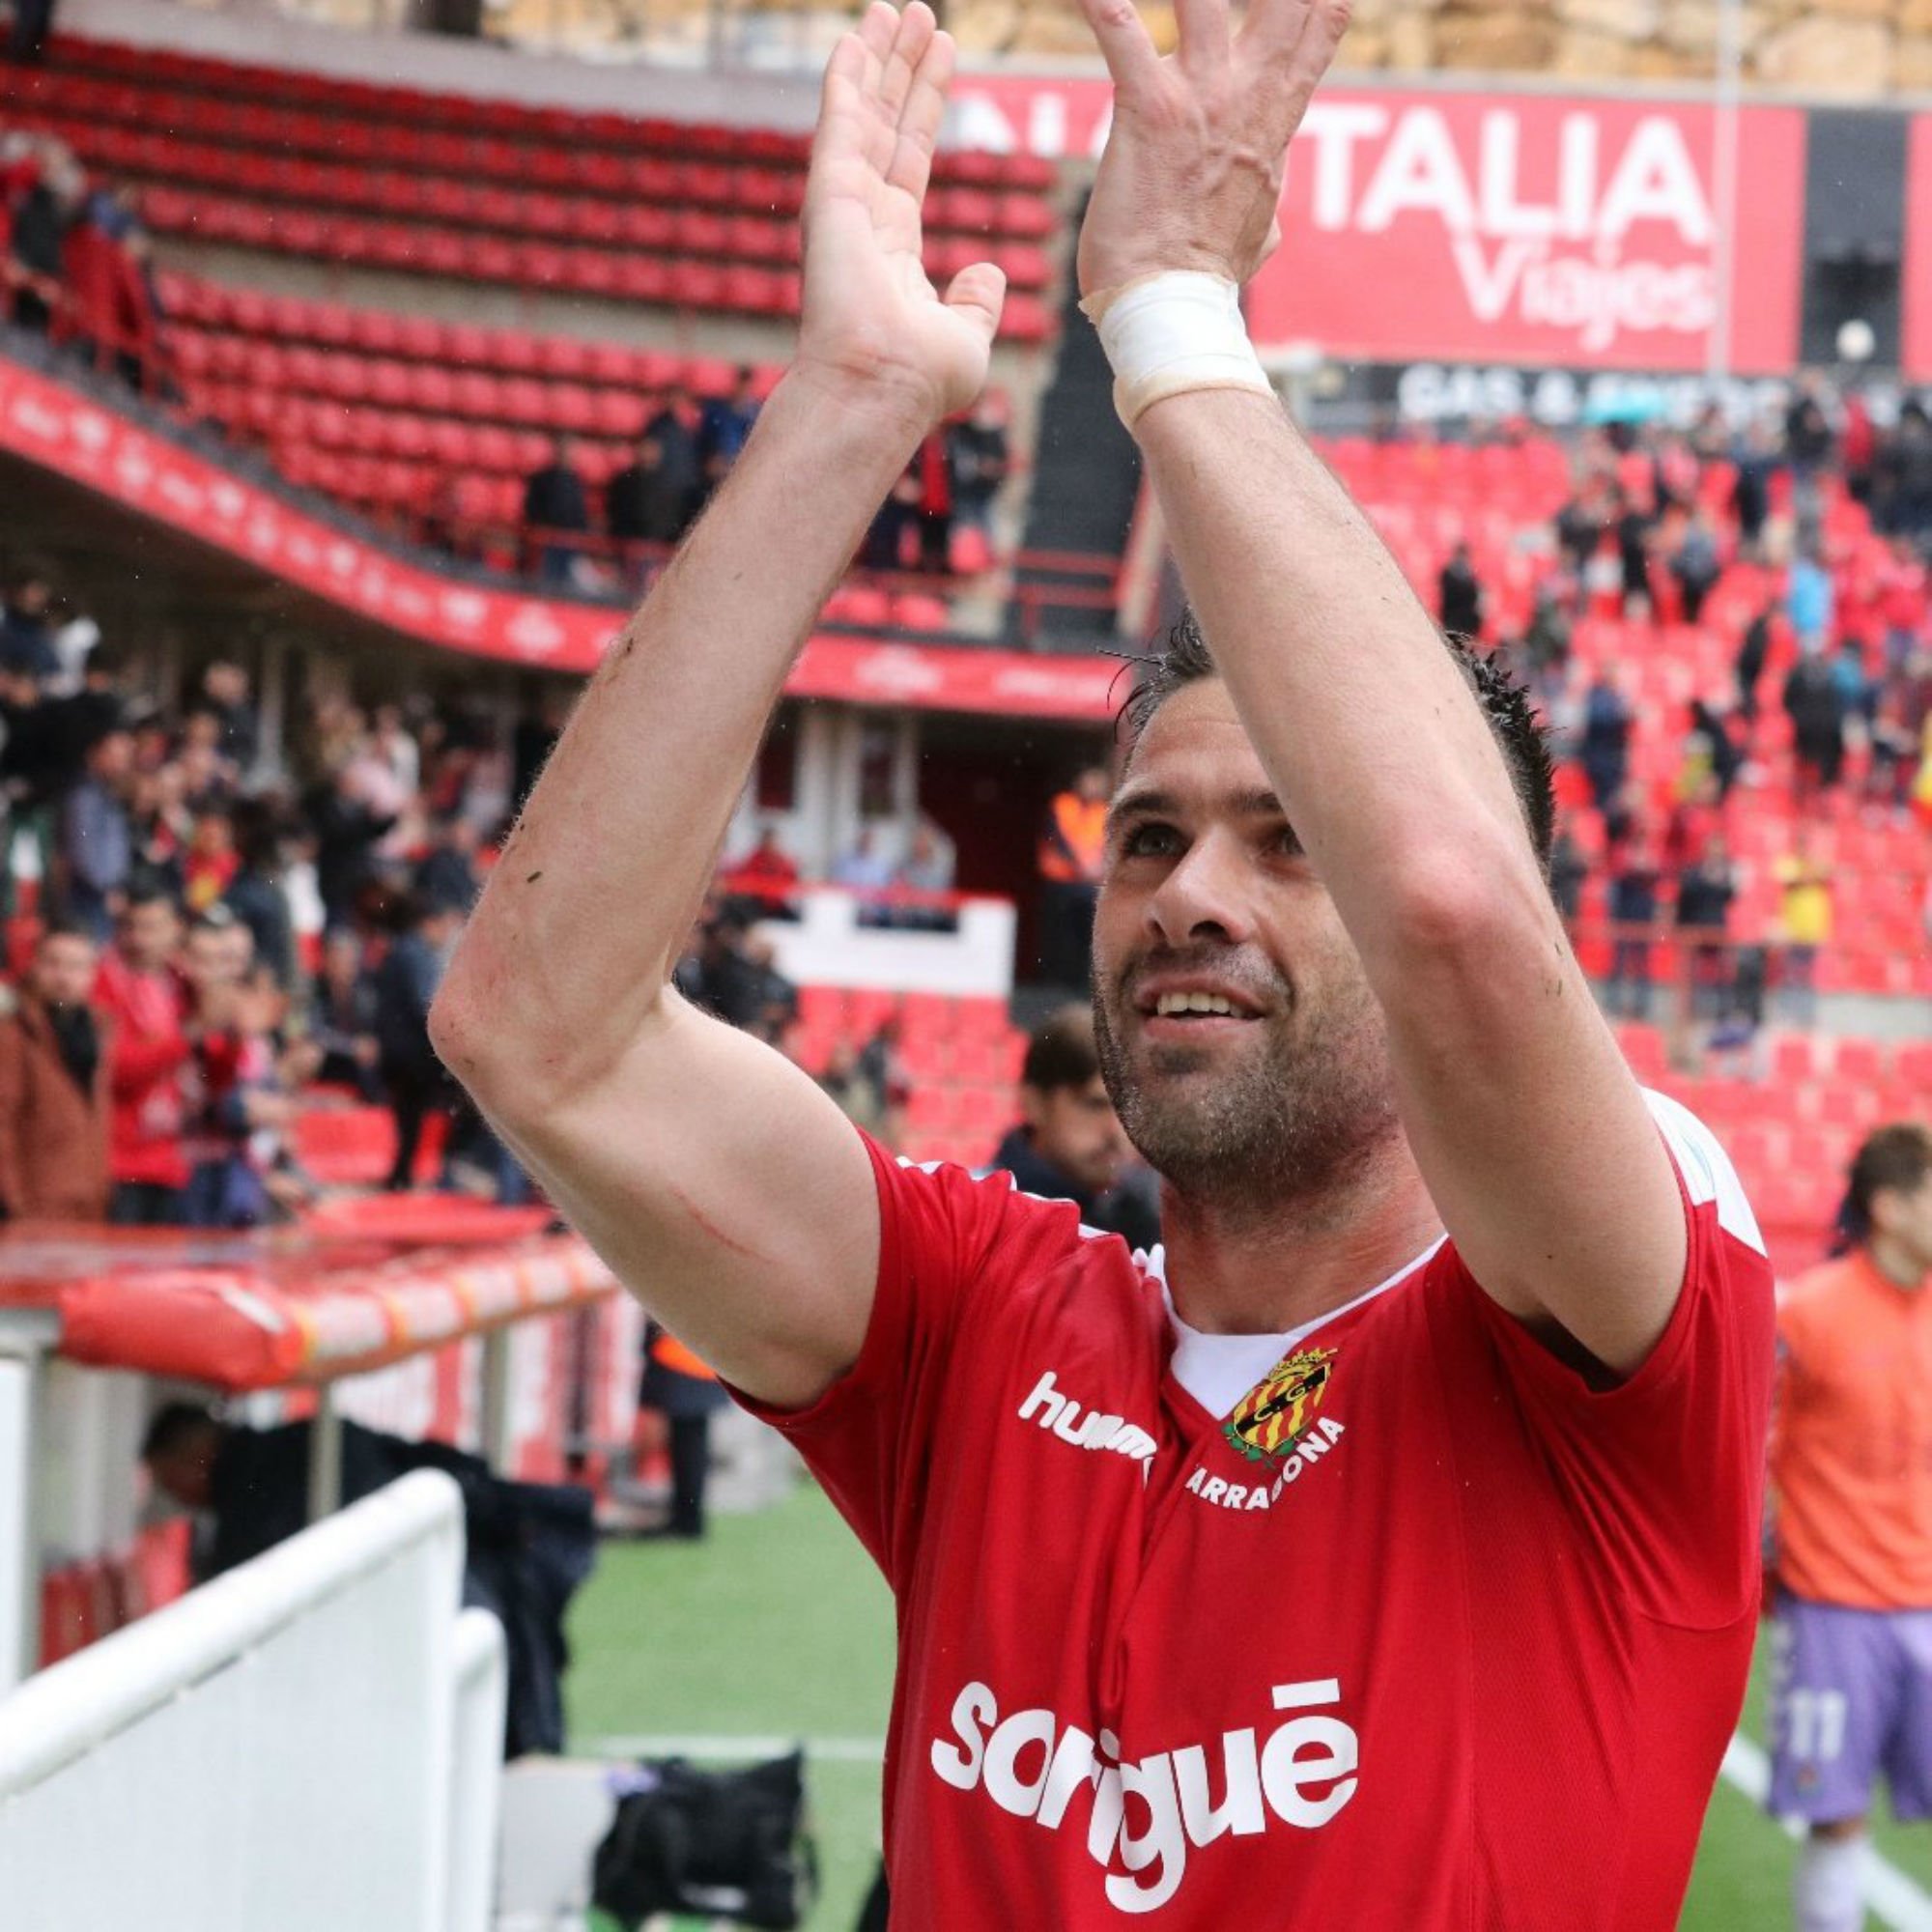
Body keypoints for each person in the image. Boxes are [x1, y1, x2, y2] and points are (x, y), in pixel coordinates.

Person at [429, 8, 1773, 1920]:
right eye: (1146, 835)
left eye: (1290, 834)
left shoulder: (1610, 1327)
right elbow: (535, 1032)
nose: (1187, 894)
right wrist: (850, 405)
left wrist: (1168, 320)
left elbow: (1464, 914)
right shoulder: (979, 1328)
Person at [140, 1403, 596, 1759]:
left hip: (422, 1633)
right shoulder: (316, 1436)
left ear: (193, 1457)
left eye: (169, 1481)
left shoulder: (253, 1500)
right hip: (478, 1599)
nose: (175, 1497)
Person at [1767, 1124, 1932, 1932]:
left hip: (1929, 1602)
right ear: (1893, 1206)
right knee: (1835, 1817)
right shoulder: (1810, 1315)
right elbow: (1755, 1448)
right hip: (1833, 1606)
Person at [986, 1007, 1159, 1252]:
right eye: (1095, 1105)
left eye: (1129, 1108)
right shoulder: (976, 1214)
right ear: (1033, 1103)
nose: (1117, 1131)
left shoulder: (1150, 1222)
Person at [94, 880, 191, 1225]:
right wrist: (187, 1038)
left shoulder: (185, 984)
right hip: (121, 1161)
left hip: (172, 1159)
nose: (139, 939)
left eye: (151, 927)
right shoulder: (103, 982)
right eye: (130, 926)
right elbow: (116, 1068)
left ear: (176, 929)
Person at [0, 922, 112, 1218]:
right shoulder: (14, 1033)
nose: (64, 977)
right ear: (35, 966)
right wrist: (13, 1203)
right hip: (34, 1204)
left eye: (76, 966)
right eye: (53, 964)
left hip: (89, 1202)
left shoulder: (99, 1029)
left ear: (92, 973)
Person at [373, 893, 464, 1191]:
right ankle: (451, 1164)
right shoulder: (416, 953)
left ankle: (401, 1176)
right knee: (467, 1100)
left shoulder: (398, 950)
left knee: (409, 1119)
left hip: (396, 1052)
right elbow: (424, 1004)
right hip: (414, 1055)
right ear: (429, 923)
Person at [59, 722, 134, 941]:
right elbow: (83, 850)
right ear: (95, 754)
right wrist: (107, 889)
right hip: (90, 898)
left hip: (105, 896)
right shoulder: (84, 796)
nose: (123, 763)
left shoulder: (107, 792)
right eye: (116, 754)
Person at [1036, 765, 1109, 987]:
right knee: (1057, 933)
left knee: (1085, 935)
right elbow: (1058, 838)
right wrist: (1081, 864)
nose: (1092, 789)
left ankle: (1077, 983)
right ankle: (1052, 981)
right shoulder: (1062, 805)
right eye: (1089, 782)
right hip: (1061, 881)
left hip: (1088, 885)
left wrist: (1097, 866)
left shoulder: (1104, 811)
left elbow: (1109, 843)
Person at [1776, 831, 1833, 1027]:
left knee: (1808, 974)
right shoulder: (1789, 864)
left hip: (1813, 930)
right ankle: (1789, 1014)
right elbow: (1791, 880)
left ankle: (1805, 1016)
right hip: (1794, 929)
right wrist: (1808, 874)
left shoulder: (1814, 865)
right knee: (1791, 973)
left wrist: (1810, 872)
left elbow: (1827, 872)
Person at [522, 440, 591, 587]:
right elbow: (531, 507)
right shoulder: (541, 478)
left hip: (569, 541)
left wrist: (580, 533)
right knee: (545, 581)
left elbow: (579, 511)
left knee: (566, 582)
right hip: (547, 540)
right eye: (563, 450)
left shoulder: (577, 481)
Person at [1436, 538, 1482, 639]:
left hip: (1464, 622)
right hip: (1451, 619)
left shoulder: (1470, 577)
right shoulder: (1450, 573)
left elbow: (1474, 601)